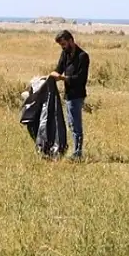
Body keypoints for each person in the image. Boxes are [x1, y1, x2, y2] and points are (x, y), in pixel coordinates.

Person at [48, 30, 90, 159]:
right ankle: (75, 151)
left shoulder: (82, 56)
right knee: (71, 123)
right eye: (61, 45)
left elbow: (81, 78)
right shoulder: (65, 54)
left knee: (75, 125)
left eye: (64, 44)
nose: (63, 47)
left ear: (71, 40)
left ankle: (78, 153)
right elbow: (59, 68)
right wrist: (53, 75)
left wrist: (63, 78)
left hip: (77, 95)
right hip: (68, 94)